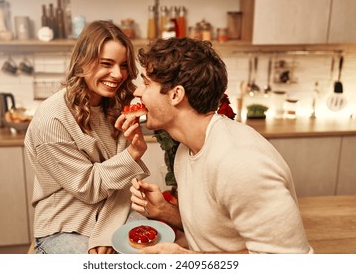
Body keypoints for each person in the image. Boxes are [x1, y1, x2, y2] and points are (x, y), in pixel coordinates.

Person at [124, 37, 313, 254]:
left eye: (147, 83)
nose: (138, 93)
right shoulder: (186, 150)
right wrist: (166, 211)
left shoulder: (240, 164)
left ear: (176, 95)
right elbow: (216, 234)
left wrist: (187, 259)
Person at [24, 20, 150, 254]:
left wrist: (107, 232)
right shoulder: (53, 119)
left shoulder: (114, 105)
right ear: (82, 62)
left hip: (115, 211)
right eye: (106, 64)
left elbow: (120, 183)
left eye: (123, 65)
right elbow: (89, 187)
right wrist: (133, 154)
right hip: (65, 223)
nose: (118, 74)